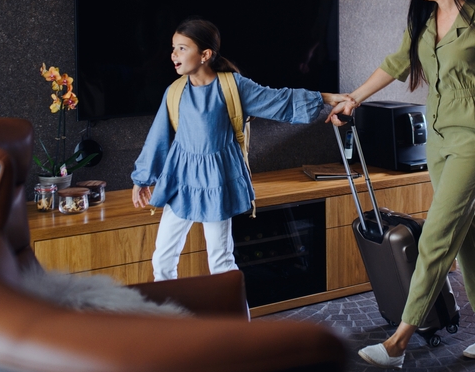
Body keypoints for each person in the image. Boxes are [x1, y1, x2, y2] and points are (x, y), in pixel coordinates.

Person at [328, 0, 475, 368]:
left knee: (435, 235)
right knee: (464, 234)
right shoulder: (423, 20)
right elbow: (395, 63)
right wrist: (353, 99)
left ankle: (399, 339)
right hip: (437, 137)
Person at [131, 17, 346, 279]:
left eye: (182, 48)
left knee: (220, 262)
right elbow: (158, 137)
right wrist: (142, 179)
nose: (173, 54)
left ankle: (236, 318)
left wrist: (327, 98)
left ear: (205, 55)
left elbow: (280, 100)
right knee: (163, 259)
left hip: (216, 183)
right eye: (174, 47)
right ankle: (168, 318)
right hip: (180, 182)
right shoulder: (175, 91)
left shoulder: (233, 86)